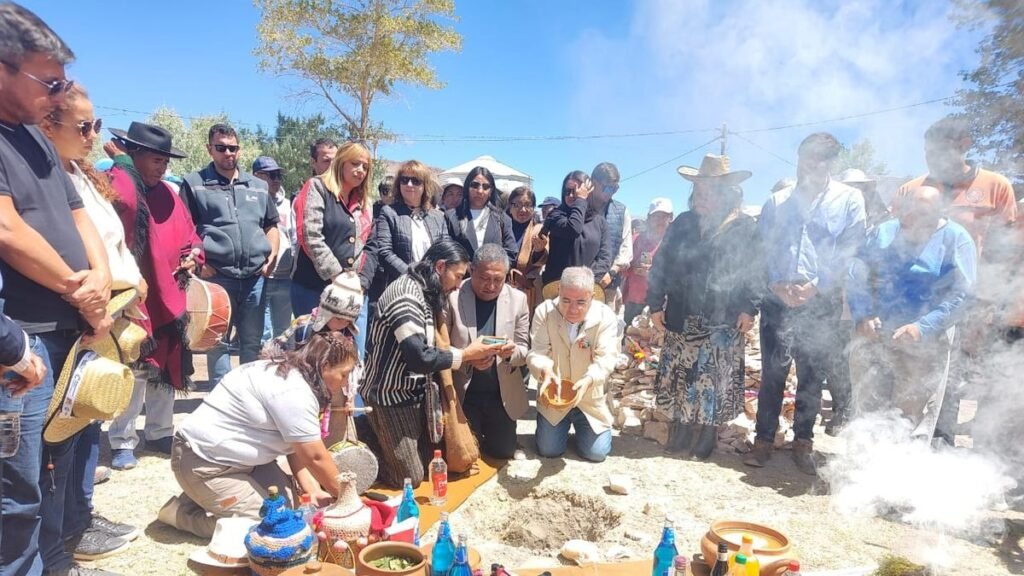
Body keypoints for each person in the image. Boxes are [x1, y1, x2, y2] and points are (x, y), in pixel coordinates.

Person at [0, 6, 117, 575]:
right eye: (49, 82)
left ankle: (52, 561)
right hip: (23, 343)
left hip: (69, 331)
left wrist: (99, 280)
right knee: (14, 489)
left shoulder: (33, 138)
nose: (58, 94)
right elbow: (6, 227)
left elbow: (80, 217)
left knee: (56, 468)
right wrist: (80, 290)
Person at [40, 85, 145, 561]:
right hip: (80, 320)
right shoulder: (43, 178)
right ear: (47, 125)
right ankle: (61, 541)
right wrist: (97, 308)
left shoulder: (80, 177)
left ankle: (79, 521)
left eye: (95, 125)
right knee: (63, 439)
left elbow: (113, 247)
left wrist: (132, 290)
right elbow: (66, 254)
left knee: (88, 426)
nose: (93, 135)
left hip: (107, 314)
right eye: (83, 126)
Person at [891, 116, 1017, 445]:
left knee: (957, 381)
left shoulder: (995, 187)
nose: (931, 160)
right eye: (927, 153)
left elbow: (1004, 252)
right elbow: (892, 248)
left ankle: (945, 451)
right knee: (913, 381)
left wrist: (990, 305)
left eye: (939, 152)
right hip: (916, 307)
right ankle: (905, 452)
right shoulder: (910, 190)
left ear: (964, 146)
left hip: (971, 303)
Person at [160, 331, 358, 539]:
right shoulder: (293, 391)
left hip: (245, 461)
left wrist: (313, 490)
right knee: (270, 525)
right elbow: (315, 457)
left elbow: (298, 446)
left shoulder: (293, 374)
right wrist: (347, 499)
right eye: (343, 374)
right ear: (325, 366)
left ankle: (202, 494)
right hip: (205, 462)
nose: (345, 382)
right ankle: (180, 514)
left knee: (290, 508)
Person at [745, 136, 866, 475]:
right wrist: (774, 284)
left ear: (831, 163)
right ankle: (763, 441)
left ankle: (803, 443)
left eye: (818, 160)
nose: (809, 166)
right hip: (778, 299)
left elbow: (850, 250)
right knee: (773, 373)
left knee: (812, 376)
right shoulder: (777, 201)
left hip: (820, 302)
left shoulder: (849, 199)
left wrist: (818, 285)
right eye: (805, 159)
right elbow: (763, 250)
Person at [103, 122, 204, 472]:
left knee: (165, 368)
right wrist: (122, 165)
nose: (163, 167)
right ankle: (122, 439)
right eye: (156, 159)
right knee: (134, 369)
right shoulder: (119, 186)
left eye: (166, 160)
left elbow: (191, 234)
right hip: (134, 296)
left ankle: (160, 432)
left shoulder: (169, 195)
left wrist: (194, 255)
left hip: (169, 296)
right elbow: (127, 208)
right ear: (135, 155)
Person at [361, 239, 502, 487]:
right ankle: (364, 435)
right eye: (458, 277)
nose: (459, 286)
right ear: (439, 267)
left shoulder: (426, 290)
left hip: (416, 395)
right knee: (409, 479)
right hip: (389, 397)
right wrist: (467, 354)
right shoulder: (405, 295)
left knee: (434, 464)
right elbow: (420, 358)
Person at [648, 158, 762, 459]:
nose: (702, 195)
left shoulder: (744, 227)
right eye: (698, 189)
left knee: (713, 378)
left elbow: (755, 270)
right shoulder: (683, 223)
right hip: (682, 313)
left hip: (722, 317)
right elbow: (661, 264)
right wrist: (655, 303)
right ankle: (683, 426)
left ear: (727, 192)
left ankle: (707, 433)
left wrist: (749, 308)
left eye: (710, 189)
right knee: (684, 374)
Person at [847, 186, 976, 439]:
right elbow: (857, 273)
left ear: (939, 212)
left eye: (921, 213)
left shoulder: (956, 239)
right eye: (907, 211)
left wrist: (922, 327)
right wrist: (863, 314)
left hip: (925, 341)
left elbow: (963, 294)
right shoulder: (884, 231)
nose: (911, 218)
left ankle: (902, 475)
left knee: (911, 417)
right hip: (874, 333)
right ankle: (858, 473)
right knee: (867, 408)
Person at [180, 124, 279, 386]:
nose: (228, 153)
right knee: (218, 342)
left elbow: (271, 225)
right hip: (217, 278)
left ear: (239, 149)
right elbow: (185, 229)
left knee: (252, 342)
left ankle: (248, 400)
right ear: (209, 149)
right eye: (221, 148)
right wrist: (200, 263)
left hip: (254, 278)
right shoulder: (194, 184)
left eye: (232, 148)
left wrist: (272, 256)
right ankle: (220, 401)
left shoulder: (258, 186)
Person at [445, 244, 530, 459]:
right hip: (465, 392)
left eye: (498, 280)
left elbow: (524, 350)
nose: (491, 286)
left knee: (502, 452)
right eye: (484, 278)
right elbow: (441, 348)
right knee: (466, 454)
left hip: (499, 394)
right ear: (471, 271)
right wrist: (468, 360)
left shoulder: (518, 300)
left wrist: (510, 353)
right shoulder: (453, 297)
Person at [293, 141, 374, 358]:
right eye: (355, 164)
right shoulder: (317, 187)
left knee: (351, 356)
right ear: (341, 164)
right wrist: (337, 277)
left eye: (365, 166)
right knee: (313, 355)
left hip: (354, 292)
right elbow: (310, 235)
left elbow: (368, 246)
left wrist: (359, 282)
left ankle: (351, 394)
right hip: (313, 288)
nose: (360, 171)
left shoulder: (366, 201)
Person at [529, 267, 618, 462]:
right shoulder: (544, 312)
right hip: (554, 397)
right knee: (549, 451)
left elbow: (607, 358)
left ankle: (586, 429)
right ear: (559, 291)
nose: (572, 309)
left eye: (581, 302)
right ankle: (554, 427)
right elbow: (537, 351)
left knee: (596, 454)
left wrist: (589, 380)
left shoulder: (605, 317)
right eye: (566, 300)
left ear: (592, 297)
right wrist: (544, 369)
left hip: (589, 399)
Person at [365, 160, 454, 288]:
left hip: (433, 286)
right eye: (404, 180)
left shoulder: (438, 217)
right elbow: (384, 252)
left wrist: (434, 277)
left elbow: (446, 250)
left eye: (416, 180)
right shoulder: (389, 213)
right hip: (402, 286)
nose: (409, 184)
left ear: (425, 185)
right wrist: (412, 276)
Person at [541, 171, 612, 287]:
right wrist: (580, 201)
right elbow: (573, 229)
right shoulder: (556, 215)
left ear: (589, 192)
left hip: (586, 288)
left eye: (576, 192)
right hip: (557, 287)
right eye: (567, 191)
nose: (570, 196)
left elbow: (605, 258)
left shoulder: (600, 222)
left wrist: (586, 282)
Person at [253, 155, 296, 342]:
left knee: (284, 333)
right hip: (260, 279)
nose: (276, 180)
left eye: (278, 175)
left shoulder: (288, 206)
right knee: (262, 334)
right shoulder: (250, 204)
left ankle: (280, 369)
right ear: (256, 176)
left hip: (285, 279)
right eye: (271, 175)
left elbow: (295, 239)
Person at [622, 198, 673, 330]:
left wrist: (652, 274)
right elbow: (623, 267)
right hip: (634, 301)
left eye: (664, 216)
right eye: (656, 216)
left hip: (662, 303)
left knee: (655, 344)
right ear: (649, 218)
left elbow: (679, 275)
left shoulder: (675, 243)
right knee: (631, 342)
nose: (660, 221)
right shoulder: (635, 239)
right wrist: (634, 267)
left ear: (671, 218)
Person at [450, 166, 518, 264]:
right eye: (475, 185)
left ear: (491, 191)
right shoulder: (451, 217)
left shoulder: (502, 219)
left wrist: (493, 270)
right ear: (467, 187)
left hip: (492, 277)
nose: (480, 191)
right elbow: (446, 252)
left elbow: (511, 253)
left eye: (486, 187)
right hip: (461, 277)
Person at [589, 162, 632, 308]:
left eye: (615, 188)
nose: (611, 192)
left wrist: (612, 273)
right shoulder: (579, 207)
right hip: (579, 285)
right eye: (608, 187)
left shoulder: (622, 211)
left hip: (608, 285)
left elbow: (625, 249)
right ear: (593, 183)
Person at [506, 186, 547, 310]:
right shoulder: (499, 227)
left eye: (528, 205)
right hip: (500, 287)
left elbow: (541, 261)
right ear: (509, 206)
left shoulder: (539, 230)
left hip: (526, 292)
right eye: (517, 205)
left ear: (533, 208)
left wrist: (539, 250)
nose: (522, 210)